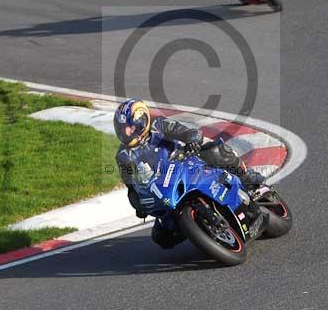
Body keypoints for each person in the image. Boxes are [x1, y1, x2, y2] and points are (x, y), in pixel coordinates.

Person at [113, 99, 266, 248]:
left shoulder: (158, 125)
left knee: (215, 152)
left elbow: (184, 131)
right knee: (161, 237)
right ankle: (199, 229)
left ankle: (246, 177)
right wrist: (139, 204)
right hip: (166, 188)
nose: (126, 132)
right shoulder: (123, 156)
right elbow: (131, 184)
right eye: (122, 129)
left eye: (129, 127)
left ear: (141, 121)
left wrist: (191, 139)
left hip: (187, 161)